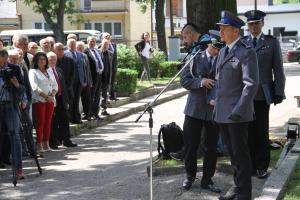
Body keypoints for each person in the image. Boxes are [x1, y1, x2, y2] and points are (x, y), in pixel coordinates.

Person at [214, 11, 259, 200]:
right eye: (220, 29)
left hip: (237, 114)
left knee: (241, 154)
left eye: (223, 29)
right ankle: (237, 188)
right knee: (232, 154)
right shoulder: (223, 50)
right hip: (223, 113)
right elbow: (219, 81)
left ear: (234, 31)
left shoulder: (246, 51)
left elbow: (251, 84)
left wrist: (238, 111)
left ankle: (244, 193)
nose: (220, 33)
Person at [242, 10, 286, 179]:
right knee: (247, 132)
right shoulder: (242, 42)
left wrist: (279, 91)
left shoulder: (271, 42)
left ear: (262, 24)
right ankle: (250, 165)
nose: (253, 26)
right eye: (250, 24)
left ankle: (261, 166)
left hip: (262, 94)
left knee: (261, 131)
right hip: (244, 95)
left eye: (256, 23)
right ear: (247, 26)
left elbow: (278, 69)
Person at [180, 25, 223, 193]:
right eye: (214, 46)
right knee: (191, 145)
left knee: (211, 147)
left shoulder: (223, 59)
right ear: (208, 44)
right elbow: (184, 81)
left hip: (214, 110)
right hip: (194, 109)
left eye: (220, 47)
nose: (217, 50)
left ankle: (207, 180)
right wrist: (200, 82)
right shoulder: (195, 57)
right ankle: (190, 176)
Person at [0, 49, 25, 178]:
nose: (3, 64)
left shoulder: (14, 68)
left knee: (15, 136)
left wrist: (16, 85)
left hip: (10, 105)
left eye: (5, 61)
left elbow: (22, 89)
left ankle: (19, 169)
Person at [29, 52, 58, 153]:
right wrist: (45, 96)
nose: (42, 61)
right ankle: (39, 144)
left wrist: (51, 96)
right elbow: (34, 86)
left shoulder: (49, 70)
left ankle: (47, 143)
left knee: (48, 122)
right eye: (40, 59)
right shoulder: (33, 71)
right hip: (39, 100)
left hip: (50, 100)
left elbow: (55, 85)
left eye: (44, 59)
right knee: (40, 122)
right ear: (36, 61)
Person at [47, 52, 77, 148]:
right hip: (52, 99)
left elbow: (63, 86)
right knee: (53, 121)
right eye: (51, 59)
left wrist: (67, 100)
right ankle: (54, 142)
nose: (53, 61)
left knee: (65, 120)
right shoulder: (46, 71)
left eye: (54, 59)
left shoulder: (59, 70)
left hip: (61, 98)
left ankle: (66, 140)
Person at [64, 39, 87, 124]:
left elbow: (83, 68)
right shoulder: (65, 54)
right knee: (70, 100)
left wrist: (84, 79)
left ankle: (76, 117)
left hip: (79, 80)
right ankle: (70, 118)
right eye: (71, 44)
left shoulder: (80, 54)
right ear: (67, 45)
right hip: (70, 81)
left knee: (77, 99)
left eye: (74, 44)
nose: (73, 46)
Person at [84, 36, 104, 120]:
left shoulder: (97, 51)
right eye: (91, 41)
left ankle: (95, 113)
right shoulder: (86, 52)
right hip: (92, 77)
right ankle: (89, 113)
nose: (92, 43)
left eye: (94, 41)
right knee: (91, 96)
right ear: (87, 42)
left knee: (97, 96)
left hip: (99, 76)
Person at [53, 43, 75, 113]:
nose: (61, 51)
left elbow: (72, 75)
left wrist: (66, 86)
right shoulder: (52, 61)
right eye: (59, 49)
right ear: (54, 50)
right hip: (56, 90)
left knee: (67, 109)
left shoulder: (70, 60)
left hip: (68, 89)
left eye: (63, 49)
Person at [77, 41, 93, 121]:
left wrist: (89, 81)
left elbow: (88, 70)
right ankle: (78, 116)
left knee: (87, 99)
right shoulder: (75, 56)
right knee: (76, 100)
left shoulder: (85, 56)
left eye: (82, 48)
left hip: (86, 81)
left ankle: (87, 114)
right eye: (79, 48)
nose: (80, 49)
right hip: (78, 82)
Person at [100, 32, 118, 100]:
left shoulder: (113, 45)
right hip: (106, 67)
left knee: (113, 80)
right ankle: (106, 97)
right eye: (106, 36)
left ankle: (112, 95)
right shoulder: (101, 45)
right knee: (106, 82)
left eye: (109, 36)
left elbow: (115, 56)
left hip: (113, 65)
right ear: (103, 38)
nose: (108, 37)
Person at [99, 38, 114, 116]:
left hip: (107, 77)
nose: (105, 46)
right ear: (101, 44)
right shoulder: (98, 52)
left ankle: (103, 109)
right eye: (104, 44)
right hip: (99, 78)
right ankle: (95, 111)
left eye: (107, 44)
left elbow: (113, 66)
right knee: (98, 95)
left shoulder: (111, 54)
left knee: (105, 95)